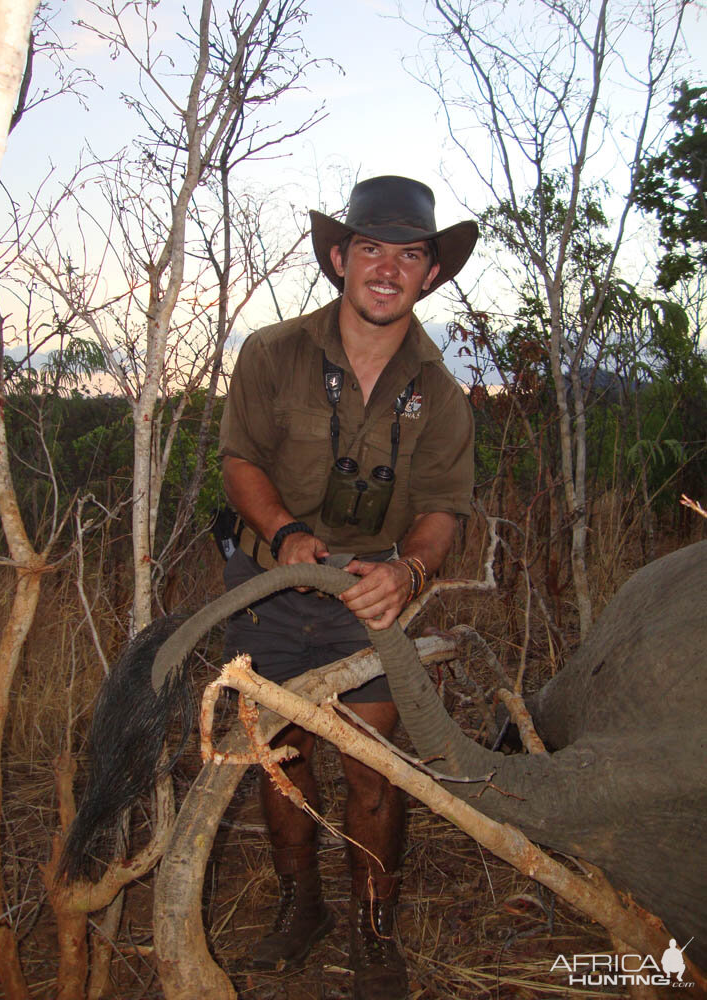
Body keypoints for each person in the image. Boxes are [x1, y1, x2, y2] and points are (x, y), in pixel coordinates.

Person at [218, 175, 477, 999]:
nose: (388, 268)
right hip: (270, 583)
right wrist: (288, 535)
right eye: (372, 248)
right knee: (280, 758)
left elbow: (442, 510)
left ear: (431, 274)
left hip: (371, 601)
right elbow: (239, 462)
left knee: (370, 768)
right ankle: (302, 909)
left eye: (410, 254)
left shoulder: (441, 393)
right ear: (340, 257)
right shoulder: (271, 352)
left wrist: (408, 572)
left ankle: (373, 929)